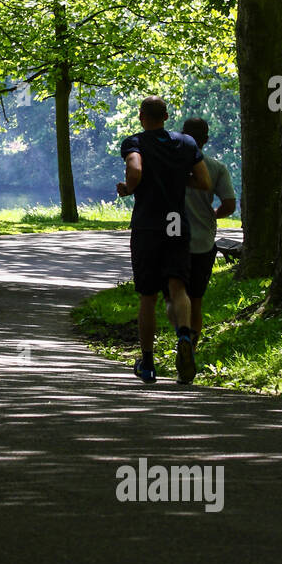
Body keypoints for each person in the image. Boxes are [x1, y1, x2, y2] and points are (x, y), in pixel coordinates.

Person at [117, 96, 211, 384]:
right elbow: (204, 182)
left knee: (148, 296)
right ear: (167, 116)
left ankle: (147, 363)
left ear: (142, 116)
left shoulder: (134, 142)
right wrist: (177, 179)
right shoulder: (186, 143)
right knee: (177, 286)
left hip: (148, 224)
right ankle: (184, 334)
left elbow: (135, 169)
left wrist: (128, 189)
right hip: (175, 223)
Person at [167, 118, 237, 347]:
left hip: (173, 234)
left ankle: (181, 334)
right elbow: (229, 204)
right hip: (203, 239)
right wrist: (212, 215)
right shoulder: (216, 167)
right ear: (205, 140)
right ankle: (191, 348)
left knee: (174, 294)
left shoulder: (170, 163)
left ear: (182, 135)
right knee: (195, 299)